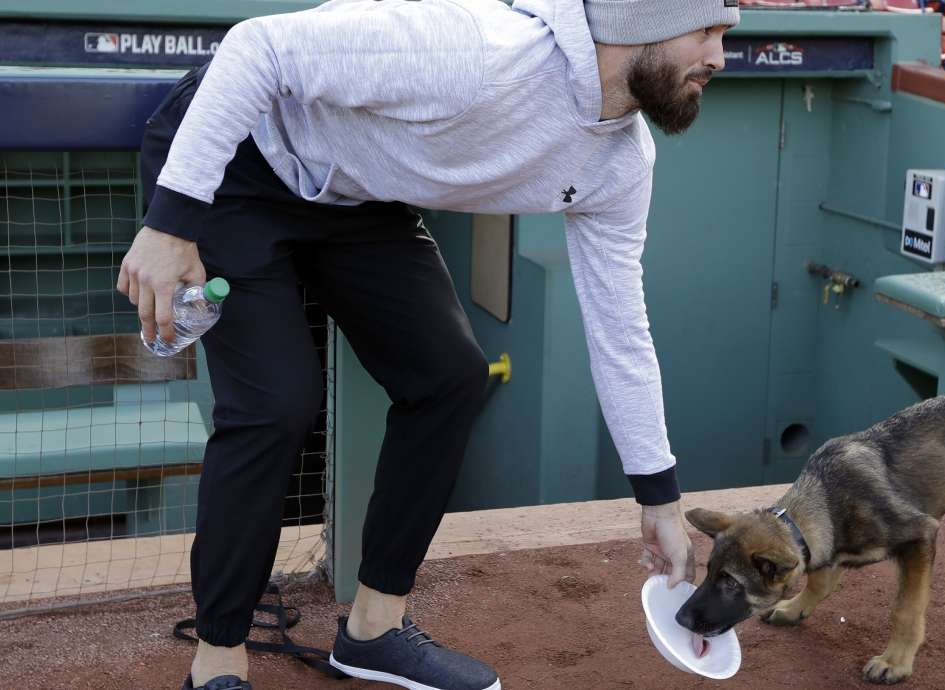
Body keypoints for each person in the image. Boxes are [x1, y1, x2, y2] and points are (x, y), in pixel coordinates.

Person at [118, 0, 739, 688]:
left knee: (449, 378)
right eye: (707, 32)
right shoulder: (479, 52)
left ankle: (374, 630)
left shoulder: (622, 163)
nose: (719, 57)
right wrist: (171, 225)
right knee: (275, 403)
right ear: (639, 24)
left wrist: (658, 499)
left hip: (357, 189)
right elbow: (256, 47)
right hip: (240, 161)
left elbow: (620, 327)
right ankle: (217, 663)